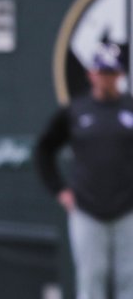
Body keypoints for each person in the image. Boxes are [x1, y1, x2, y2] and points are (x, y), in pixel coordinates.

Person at [34, 44, 133, 299]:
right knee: (91, 280)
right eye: (102, 72)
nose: (106, 78)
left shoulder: (129, 108)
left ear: (121, 75)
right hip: (87, 208)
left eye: (111, 72)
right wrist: (60, 190)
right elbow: (44, 150)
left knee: (129, 280)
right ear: (91, 74)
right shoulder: (76, 111)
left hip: (128, 209)